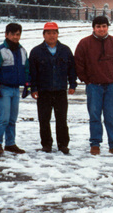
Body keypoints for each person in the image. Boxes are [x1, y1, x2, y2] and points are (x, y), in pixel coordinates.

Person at [74, 15, 113, 156]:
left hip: (111, 86)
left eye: (104, 26)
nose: (101, 29)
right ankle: (95, 144)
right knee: (94, 116)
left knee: (110, 117)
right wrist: (86, 80)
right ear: (93, 28)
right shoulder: (84, 43)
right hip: (94, 86)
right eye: (98, 26)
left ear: (107, 27)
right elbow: (78, 63)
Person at [29, 21, 77, 154]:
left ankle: (63, 144)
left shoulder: (65, 50)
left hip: (60, 91)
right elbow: (32, 72)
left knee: (61, 119)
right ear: (43, 35)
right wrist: (33, 88)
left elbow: (72, 69)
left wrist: (72, 84)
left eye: (54, 33)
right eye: (49, 33)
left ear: (58, 34)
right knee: (44, 119)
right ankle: (46, 144)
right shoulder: (36, 52)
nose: (52, 36)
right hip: (43, 91)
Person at [0, 23, 31, 155]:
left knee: (12, 119)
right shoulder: (0, 51)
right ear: (6, 35)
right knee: (4, 118)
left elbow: (26, 69)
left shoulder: (22, 51)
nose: (15, 37)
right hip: (3, 89)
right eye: (12, 34)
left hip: (15, 89)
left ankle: (10, 143)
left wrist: (27, 84)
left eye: (18, 34)